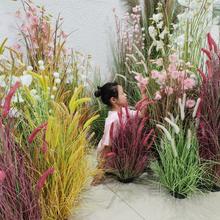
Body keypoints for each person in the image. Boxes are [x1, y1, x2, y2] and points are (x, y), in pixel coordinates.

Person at [92, 81, 148, 185]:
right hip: (108, 155)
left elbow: (141, 114)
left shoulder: (124, 111)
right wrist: (99, 172)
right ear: (113, 100)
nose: (125, 95)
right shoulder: (112, 121)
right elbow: (106, 147)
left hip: (119, 150)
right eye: (122, 94)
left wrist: (143, 94)